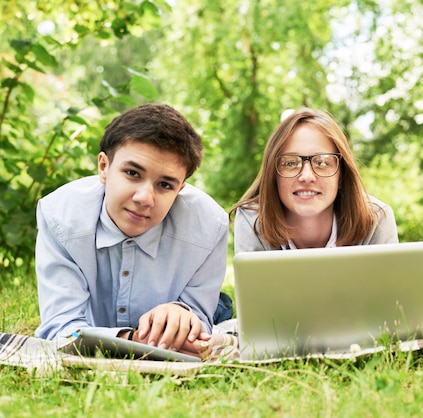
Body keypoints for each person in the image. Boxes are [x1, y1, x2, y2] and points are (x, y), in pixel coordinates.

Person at [34, 103, 229, 359]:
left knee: (220, 311)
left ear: (180, 188)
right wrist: (134, 340)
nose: (144, 198)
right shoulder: (60, 216)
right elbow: (60, 329)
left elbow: (199, 331)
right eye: (132, 173)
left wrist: (185, 317)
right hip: (107, 326)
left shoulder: (211, 226)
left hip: (186, 302)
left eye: (165, 185)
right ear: (103, 167)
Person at [230, 107, 398, 253]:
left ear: (342, 176)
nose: (307, 176)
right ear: (273, 175)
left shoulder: (375, 220)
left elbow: (389, 289)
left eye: (323, 162)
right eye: (290, 163)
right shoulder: (253, 221)